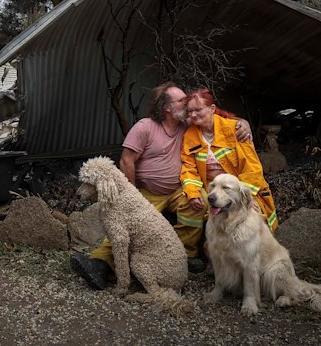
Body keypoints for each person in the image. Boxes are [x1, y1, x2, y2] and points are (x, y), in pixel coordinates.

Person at [71, 82, 252, 290]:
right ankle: (99, 264)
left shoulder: (188, 125)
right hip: (146, 193)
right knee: (124, 226)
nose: (187, 104)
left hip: (177, 190)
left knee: (198, 202)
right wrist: (131, 193)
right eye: (181, 100)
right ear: (167, 107)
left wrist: (242, 122)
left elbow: (215, 117)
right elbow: (126, 161)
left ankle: (185, 255)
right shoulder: (145, 127)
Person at [180, 88, 278, 232]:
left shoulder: (234, 129)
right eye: (189, 111)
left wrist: (244, 197)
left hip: (239, 186)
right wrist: (193, 192)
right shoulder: (190, 135)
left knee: (251, 215)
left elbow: (252, 169)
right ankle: (190, 251)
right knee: (192, 207)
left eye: (198, 110)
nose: (193, 115)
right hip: (210, 186)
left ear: (212, 108)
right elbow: (189, 168)